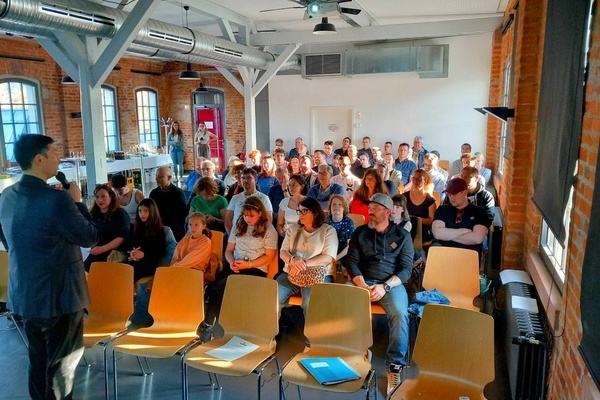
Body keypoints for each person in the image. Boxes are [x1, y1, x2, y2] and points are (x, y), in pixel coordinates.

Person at [0, 134, 98, 399]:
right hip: (60, 297)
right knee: (62, 368)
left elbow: (7, 239)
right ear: (39, 159)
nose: (59, 157)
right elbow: (89, 236)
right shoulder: (57, 200)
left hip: (26, 294)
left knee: (38, 362)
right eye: (54, 152)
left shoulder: (6, 196)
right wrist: (78, 202)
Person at [345, 193, 414, 395]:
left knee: (400, 314)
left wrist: (385, 287)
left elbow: (406, 270)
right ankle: (357, 354)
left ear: (387, 212)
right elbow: (352, 262)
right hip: (362, 280)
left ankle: (395, 366)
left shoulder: (402, 236)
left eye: (375, 208)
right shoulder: (360, 232)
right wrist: (361, 284)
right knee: (342, 304)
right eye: (370, 207)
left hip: (390, 284)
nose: (370, 211)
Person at [277, 197, 338, 313]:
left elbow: (328, 257)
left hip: (318, 276)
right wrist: (293, 260)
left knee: (310, 303)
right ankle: (273, 325)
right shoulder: (293, 229)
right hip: (291, 274)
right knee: (273, 298)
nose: (300, 214)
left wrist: (303, 264)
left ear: (315, 212)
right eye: (299, 211)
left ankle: (311, 326)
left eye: (304, 211)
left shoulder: (328, 230)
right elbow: (283, 252)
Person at [126, 199, 177, 328]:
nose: (142, 214)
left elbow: (160, 251)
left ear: (152, 212)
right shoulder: (134, 228)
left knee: (140, 280)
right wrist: (133, 253)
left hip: (151, 264)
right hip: (134, 262)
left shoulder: (160, 230)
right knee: (122, 274)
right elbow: (128, 244)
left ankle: (141, 320)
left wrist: (143, 254)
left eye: (146, 211)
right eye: (140, 211)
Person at [432, 178, 490, 256]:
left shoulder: (479, 212)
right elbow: (437, 234)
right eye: (449, 194)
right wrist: (464, 231)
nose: (451, 197)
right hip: (444, 252)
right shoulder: (442, 210)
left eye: (454, 194)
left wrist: (446, 235)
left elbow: (477, 238)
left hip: (468, 254)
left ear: (465, 192)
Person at [226, 197, 278, 278]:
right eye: (245, 215)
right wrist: (231, 262)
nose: (247, 219)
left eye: (252, 216)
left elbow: (269, 257)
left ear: (259, 214)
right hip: (236, 265)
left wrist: (249, 264)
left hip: (256, 268)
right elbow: (229, 250)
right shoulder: (238, 226)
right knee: (219, 284)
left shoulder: (269, 230)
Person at [84, 184, 130, 271]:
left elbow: (121, 237)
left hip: (113, 253)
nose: (100, 200)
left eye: (103, 196)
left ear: (111, 197)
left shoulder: (120, 214)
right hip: (96, 251)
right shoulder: (93, 214)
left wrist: (102, 249)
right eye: (97, 197)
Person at [225, 168, 273, 235]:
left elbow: (268, 220)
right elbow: (228, 218)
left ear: (255, 180)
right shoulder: (235, 198)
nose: (245, 180)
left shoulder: (264, 198)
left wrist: (259, 235)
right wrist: (232, 236)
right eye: (243, 178)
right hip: (237, 234)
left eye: (249, 178)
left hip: (256, 234)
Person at [149, 166, 188, 241]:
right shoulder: (154, 193)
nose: (156, 179)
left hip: (175, 229)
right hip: (158, 227)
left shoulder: (178, 193)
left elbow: (181, 215)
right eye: (156, 176)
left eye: (160, 177)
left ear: (169, 177)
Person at [405, 169, 437, 243]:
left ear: (425, 181)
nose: (415, 181)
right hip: (406, 228)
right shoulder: (404, 197)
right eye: (413, 178)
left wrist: (415, 219)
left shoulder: (430, 200)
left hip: (422, 231)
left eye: (419, 179)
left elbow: (431, 221)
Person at [325, 195, 354, 266]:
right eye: (334, 204)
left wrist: (335, 258)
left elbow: (349, 246)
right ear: (330, 207)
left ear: (344, 208)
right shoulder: (325, 221)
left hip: (344, 249)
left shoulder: (348, 222)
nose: (336, 206)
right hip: (328, 247)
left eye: (340, 204)